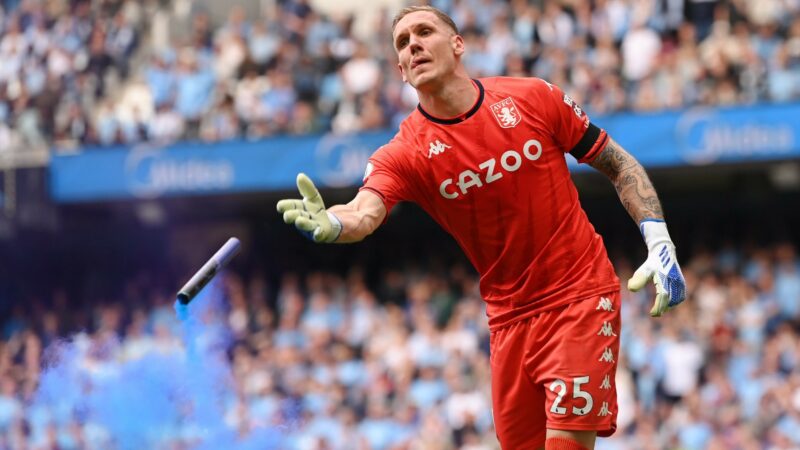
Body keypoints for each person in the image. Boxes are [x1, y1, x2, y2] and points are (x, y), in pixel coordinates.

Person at [277, 6, 686, 450]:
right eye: (402, 42)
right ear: (400, 71)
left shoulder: (533, 98)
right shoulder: (405, 152)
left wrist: (658, 236)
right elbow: (364, 212)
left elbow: (616, 161)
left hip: (579, 297)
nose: (412, 43)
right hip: (508, 321)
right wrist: (334, 222)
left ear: (457, 45)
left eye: (424, 32)